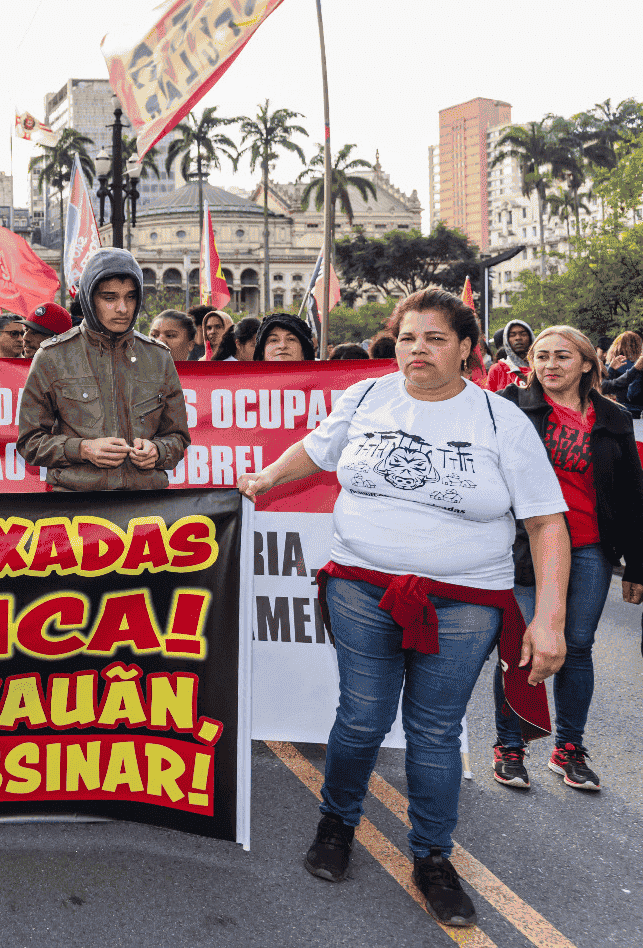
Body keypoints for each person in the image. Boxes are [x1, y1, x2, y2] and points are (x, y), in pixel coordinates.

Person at [237, 287, 570, 929]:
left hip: (466, 602)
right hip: (360, 589)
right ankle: (336, 825)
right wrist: (265, 478)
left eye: (437, 339)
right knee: (361, 718)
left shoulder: (501, 421)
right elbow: (318, 447)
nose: (419, 350)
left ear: (468, 350)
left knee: (435, 731)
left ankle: (433, 859)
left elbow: (547, 524)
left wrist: (549, 618)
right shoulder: (366, 395)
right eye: (411, 337)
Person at [490, 326, 643, 791]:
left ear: (586, 364)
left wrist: (636, 565)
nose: (550, 365)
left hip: (591, 549)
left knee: (576, 649)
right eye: (541, 356)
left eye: (561, 356)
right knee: (522, 648)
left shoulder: (614, 418)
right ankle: (510, 748)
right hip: (521, 549)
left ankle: (569, 749)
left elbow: (632, 495)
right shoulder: (511, 408)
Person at [18, 249, 189, 490]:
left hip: (146, 507)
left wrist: (157, 451)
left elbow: (178, 438)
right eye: (110, 298)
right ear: (89, 298)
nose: (122, 308)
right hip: (79, 509)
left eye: (130, 297)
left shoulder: (158, 357)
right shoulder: (52, 356)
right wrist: (83, 450)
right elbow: (29, 442)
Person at [486, 318, 534, 391]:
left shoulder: (540, 367)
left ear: (530, 338)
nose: (518, 338)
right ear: (506, 340)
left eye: (523, 334)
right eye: (512, 335)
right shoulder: (498, 369)